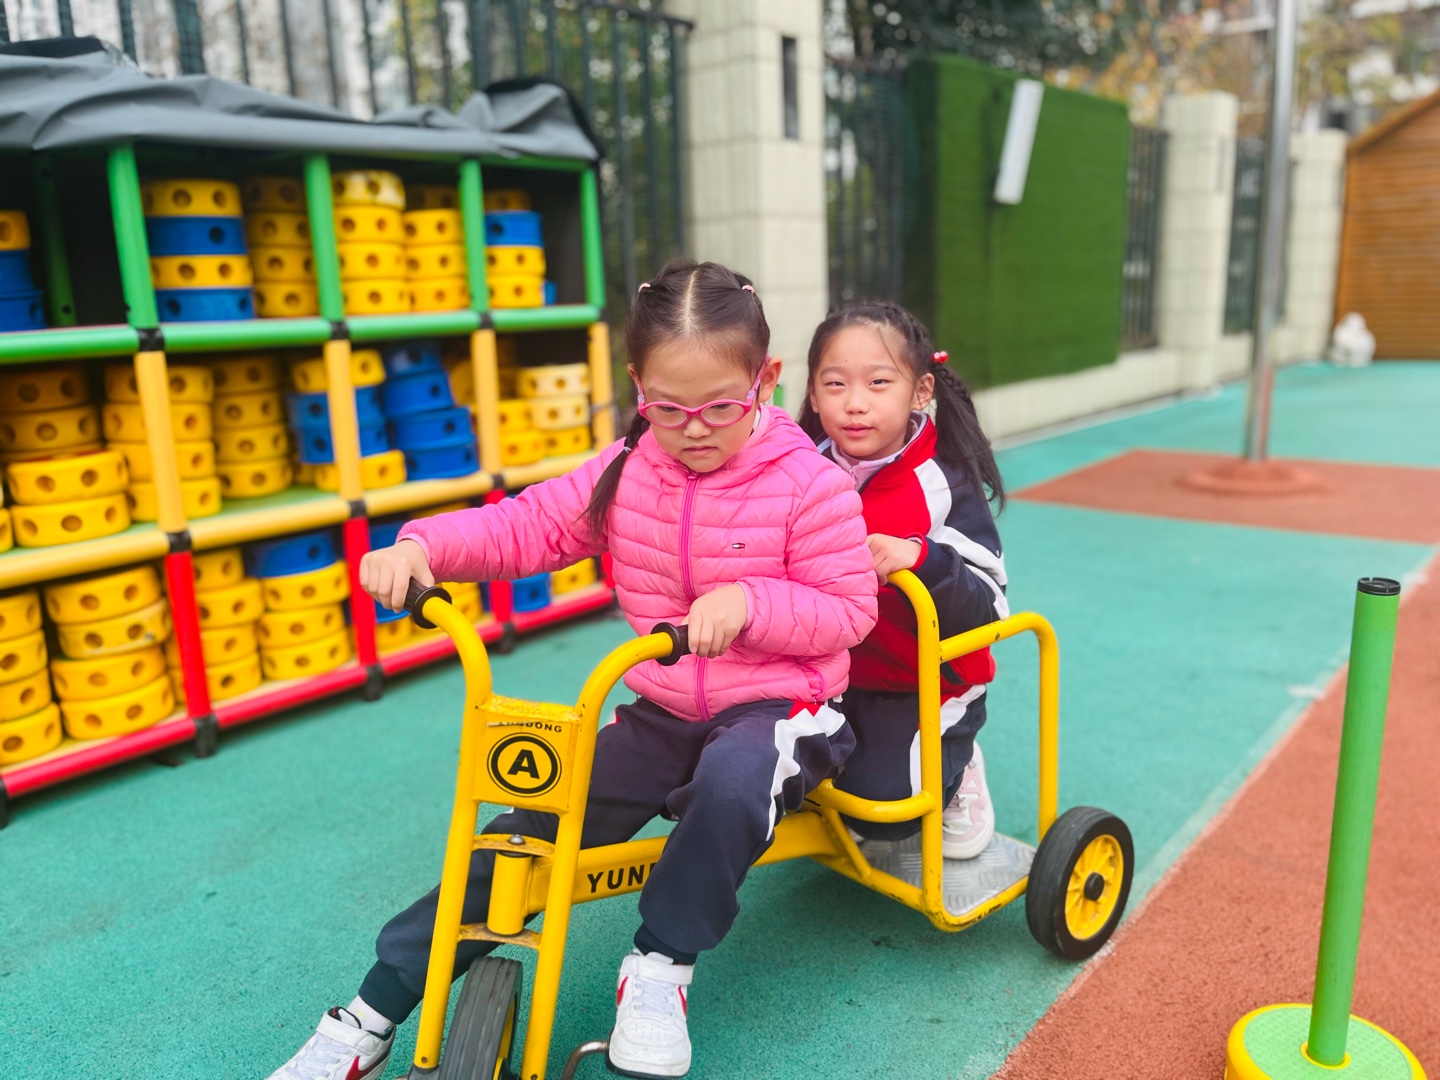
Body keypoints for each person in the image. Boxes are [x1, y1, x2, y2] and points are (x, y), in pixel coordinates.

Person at [266, 260, 877, 1080]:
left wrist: (751, 602)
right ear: (637, 386)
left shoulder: (811, 485)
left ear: (765, 381)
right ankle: (369, 1014)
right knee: (526, 827)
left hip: (783, 707)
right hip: (664, 708)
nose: (694, 429)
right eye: (668, 408)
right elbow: (527, 528)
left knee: (734, 781)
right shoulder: (627, 468)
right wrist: (423, 546)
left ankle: (659, 968)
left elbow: (849, 611)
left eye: (720, 407)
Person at [799, 301, 1007, 860]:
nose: (855, 403)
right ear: (813, 395)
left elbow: (991, 605)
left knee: (890, 813)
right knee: (788, 780)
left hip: (928, 684)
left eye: (878, 382)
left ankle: (958, 766)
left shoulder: (940, 482)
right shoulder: (802, 469)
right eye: (835, 384)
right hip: (837, 676)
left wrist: (922, 558)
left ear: (920, 391)